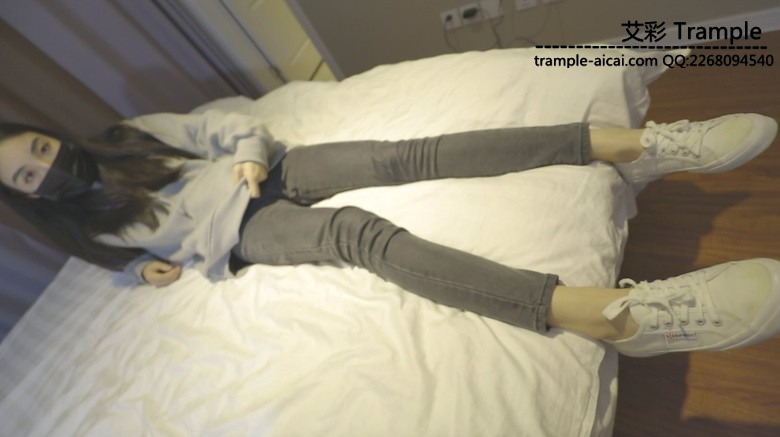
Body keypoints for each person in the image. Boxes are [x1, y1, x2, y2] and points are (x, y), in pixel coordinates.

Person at [0, 110, 778, 358]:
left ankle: (634, 143)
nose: (46, 166)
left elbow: (229, 125)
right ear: (28, 199)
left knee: (405, 155)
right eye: (28, 176)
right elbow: (108, 263)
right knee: (360, 236)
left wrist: (247, 154)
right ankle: (611, 316)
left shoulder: (128, 134)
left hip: (266, 170)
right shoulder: (85, 228)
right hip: (247, 230)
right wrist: (140, 271)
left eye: (38, 148)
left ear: (48, 131)